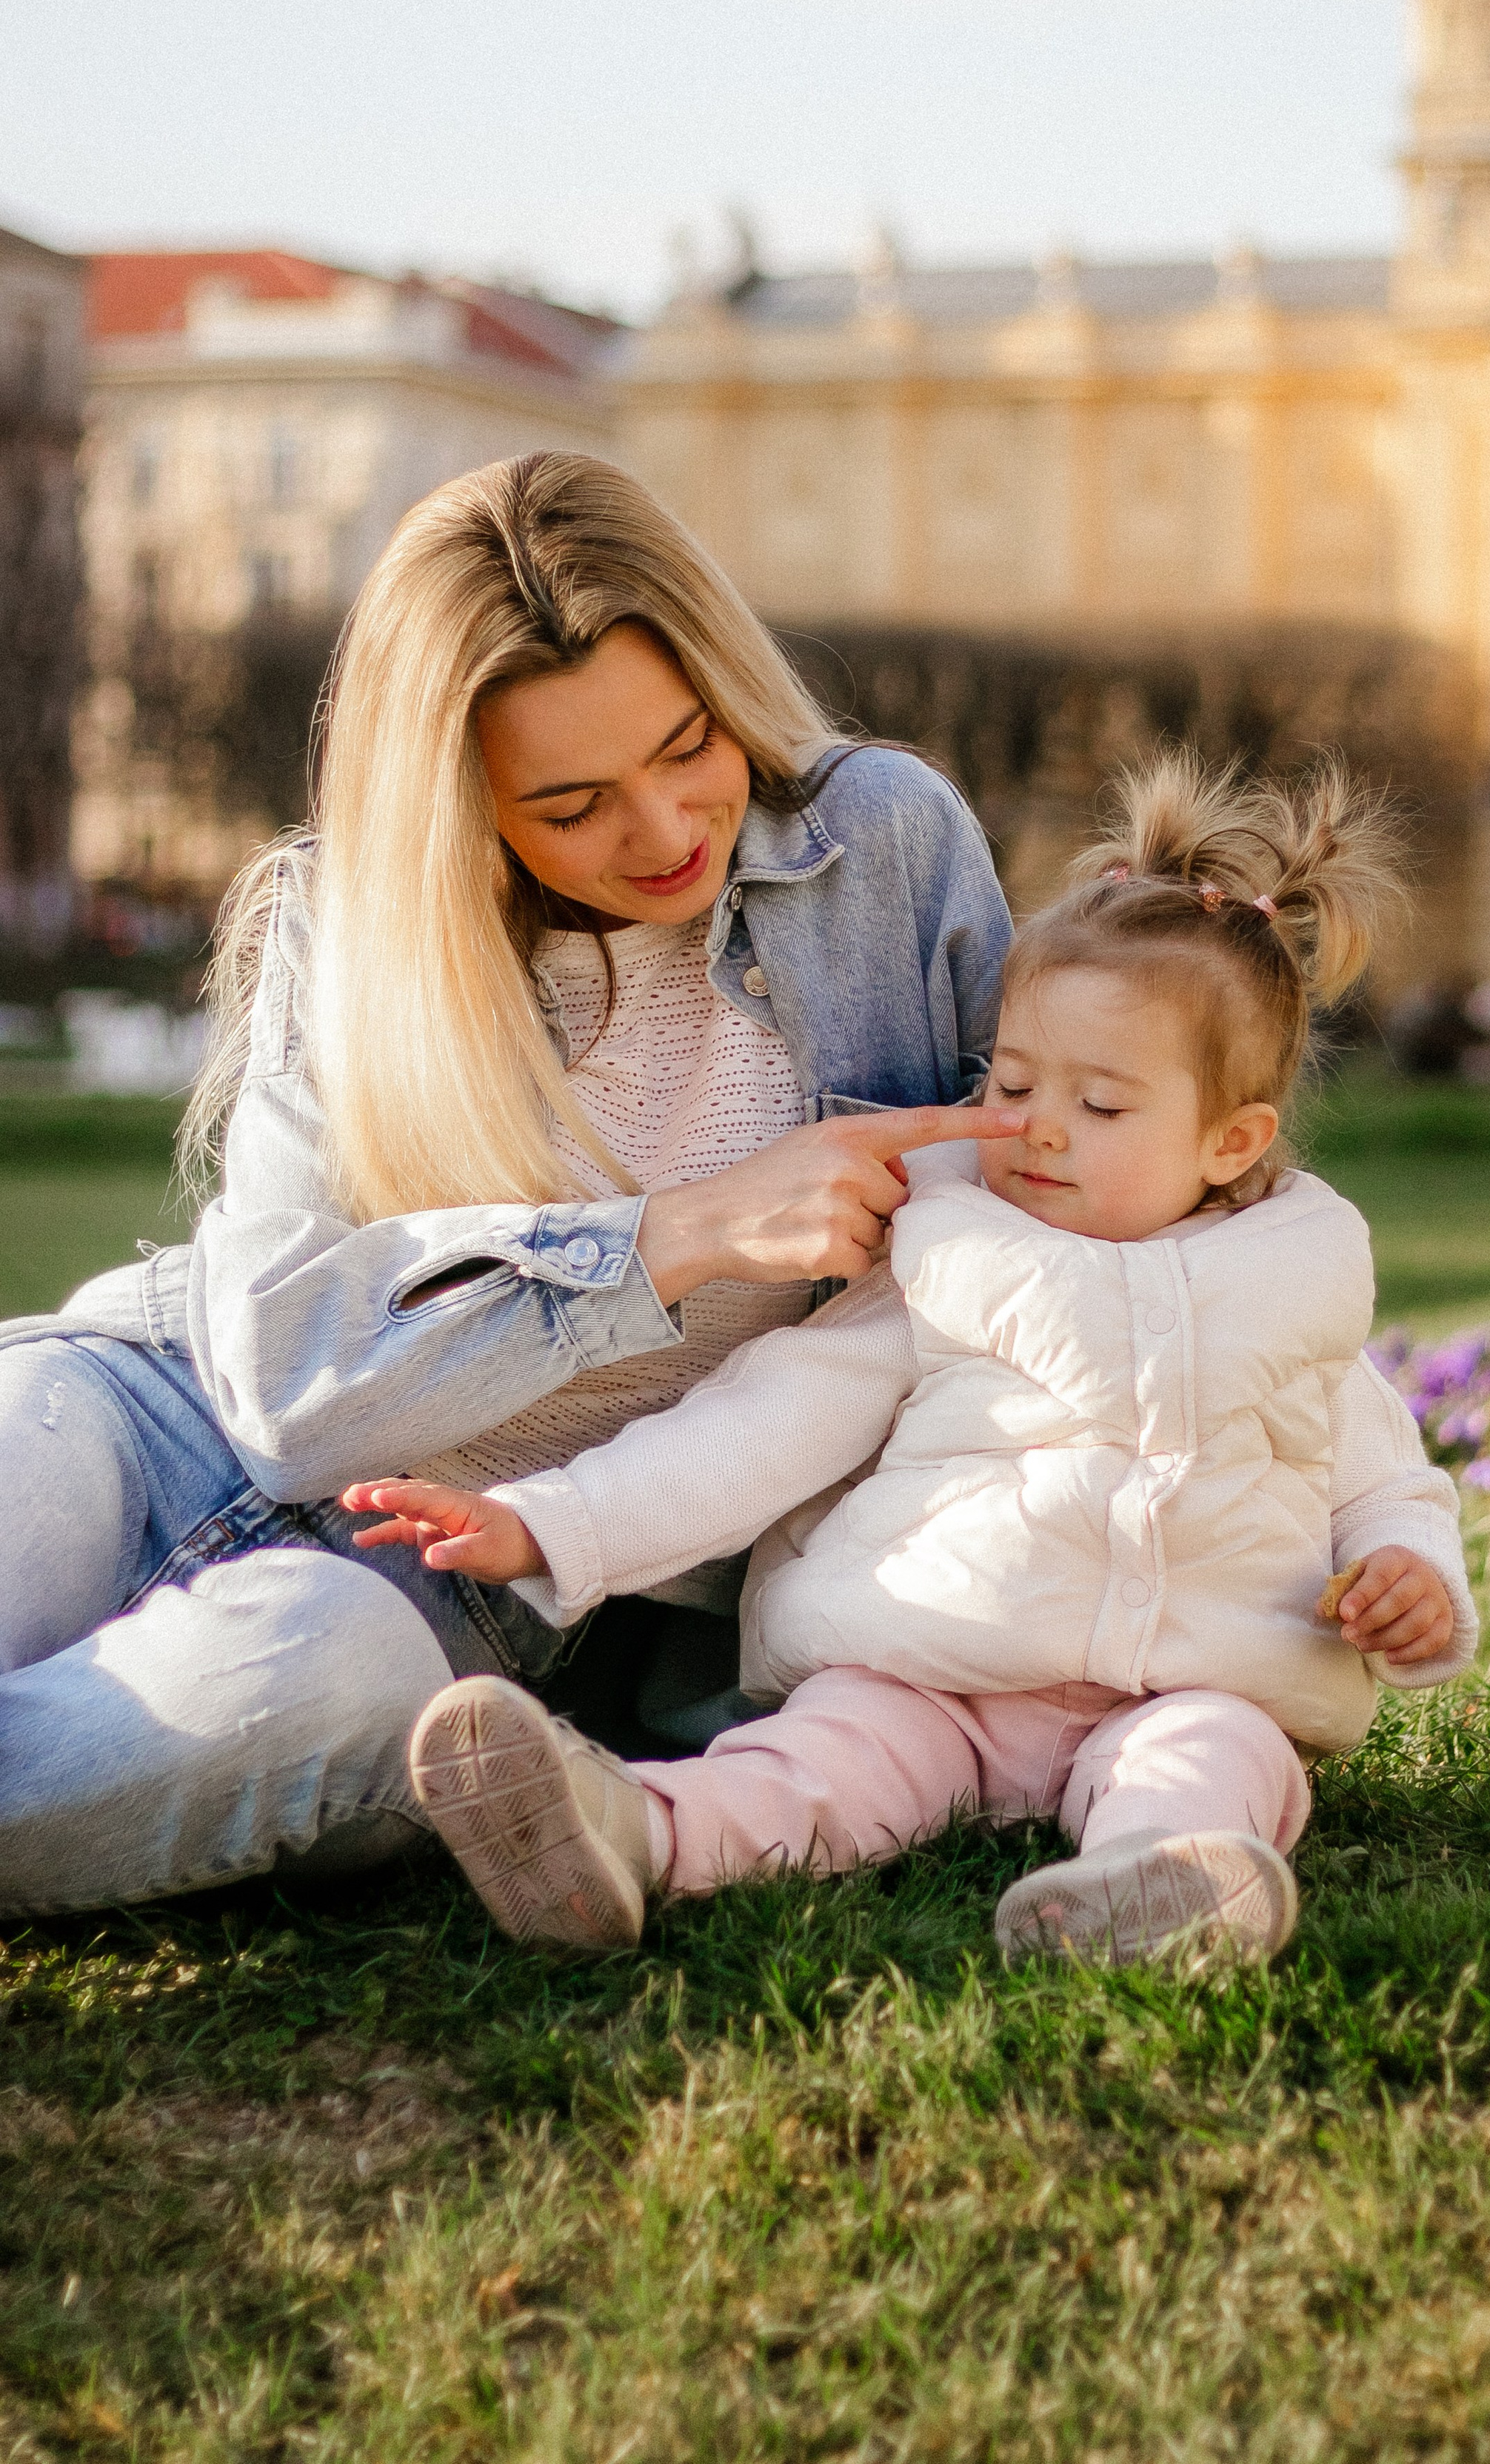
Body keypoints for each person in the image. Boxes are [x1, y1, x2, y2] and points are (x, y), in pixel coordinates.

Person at [0, 452, 1020, 1915]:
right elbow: (284, 1392)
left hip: (457, 1591)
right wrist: (671, 1239)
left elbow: (1068, 1199)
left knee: (310, 1673)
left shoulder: (888, 849)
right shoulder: (350, 913)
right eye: (571, 803)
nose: (664, 830)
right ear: (459, 810)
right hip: (142, 1410)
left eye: (689, 745)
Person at [347, 753, 1478, 1967]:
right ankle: (636, 1832)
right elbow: (761, 1423)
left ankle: (1159, 1880)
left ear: (1232, 1140)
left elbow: (1383, 1481)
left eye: (1102, 1107)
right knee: (820, 1764)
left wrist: (1411, 1574)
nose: (1040, 1127)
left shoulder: (1291, 1288)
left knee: (1220, 1758)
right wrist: (548, 1526)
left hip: (1193, 1680)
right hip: (933, 1663)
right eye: (1014, 1080)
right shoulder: (944, 1253)